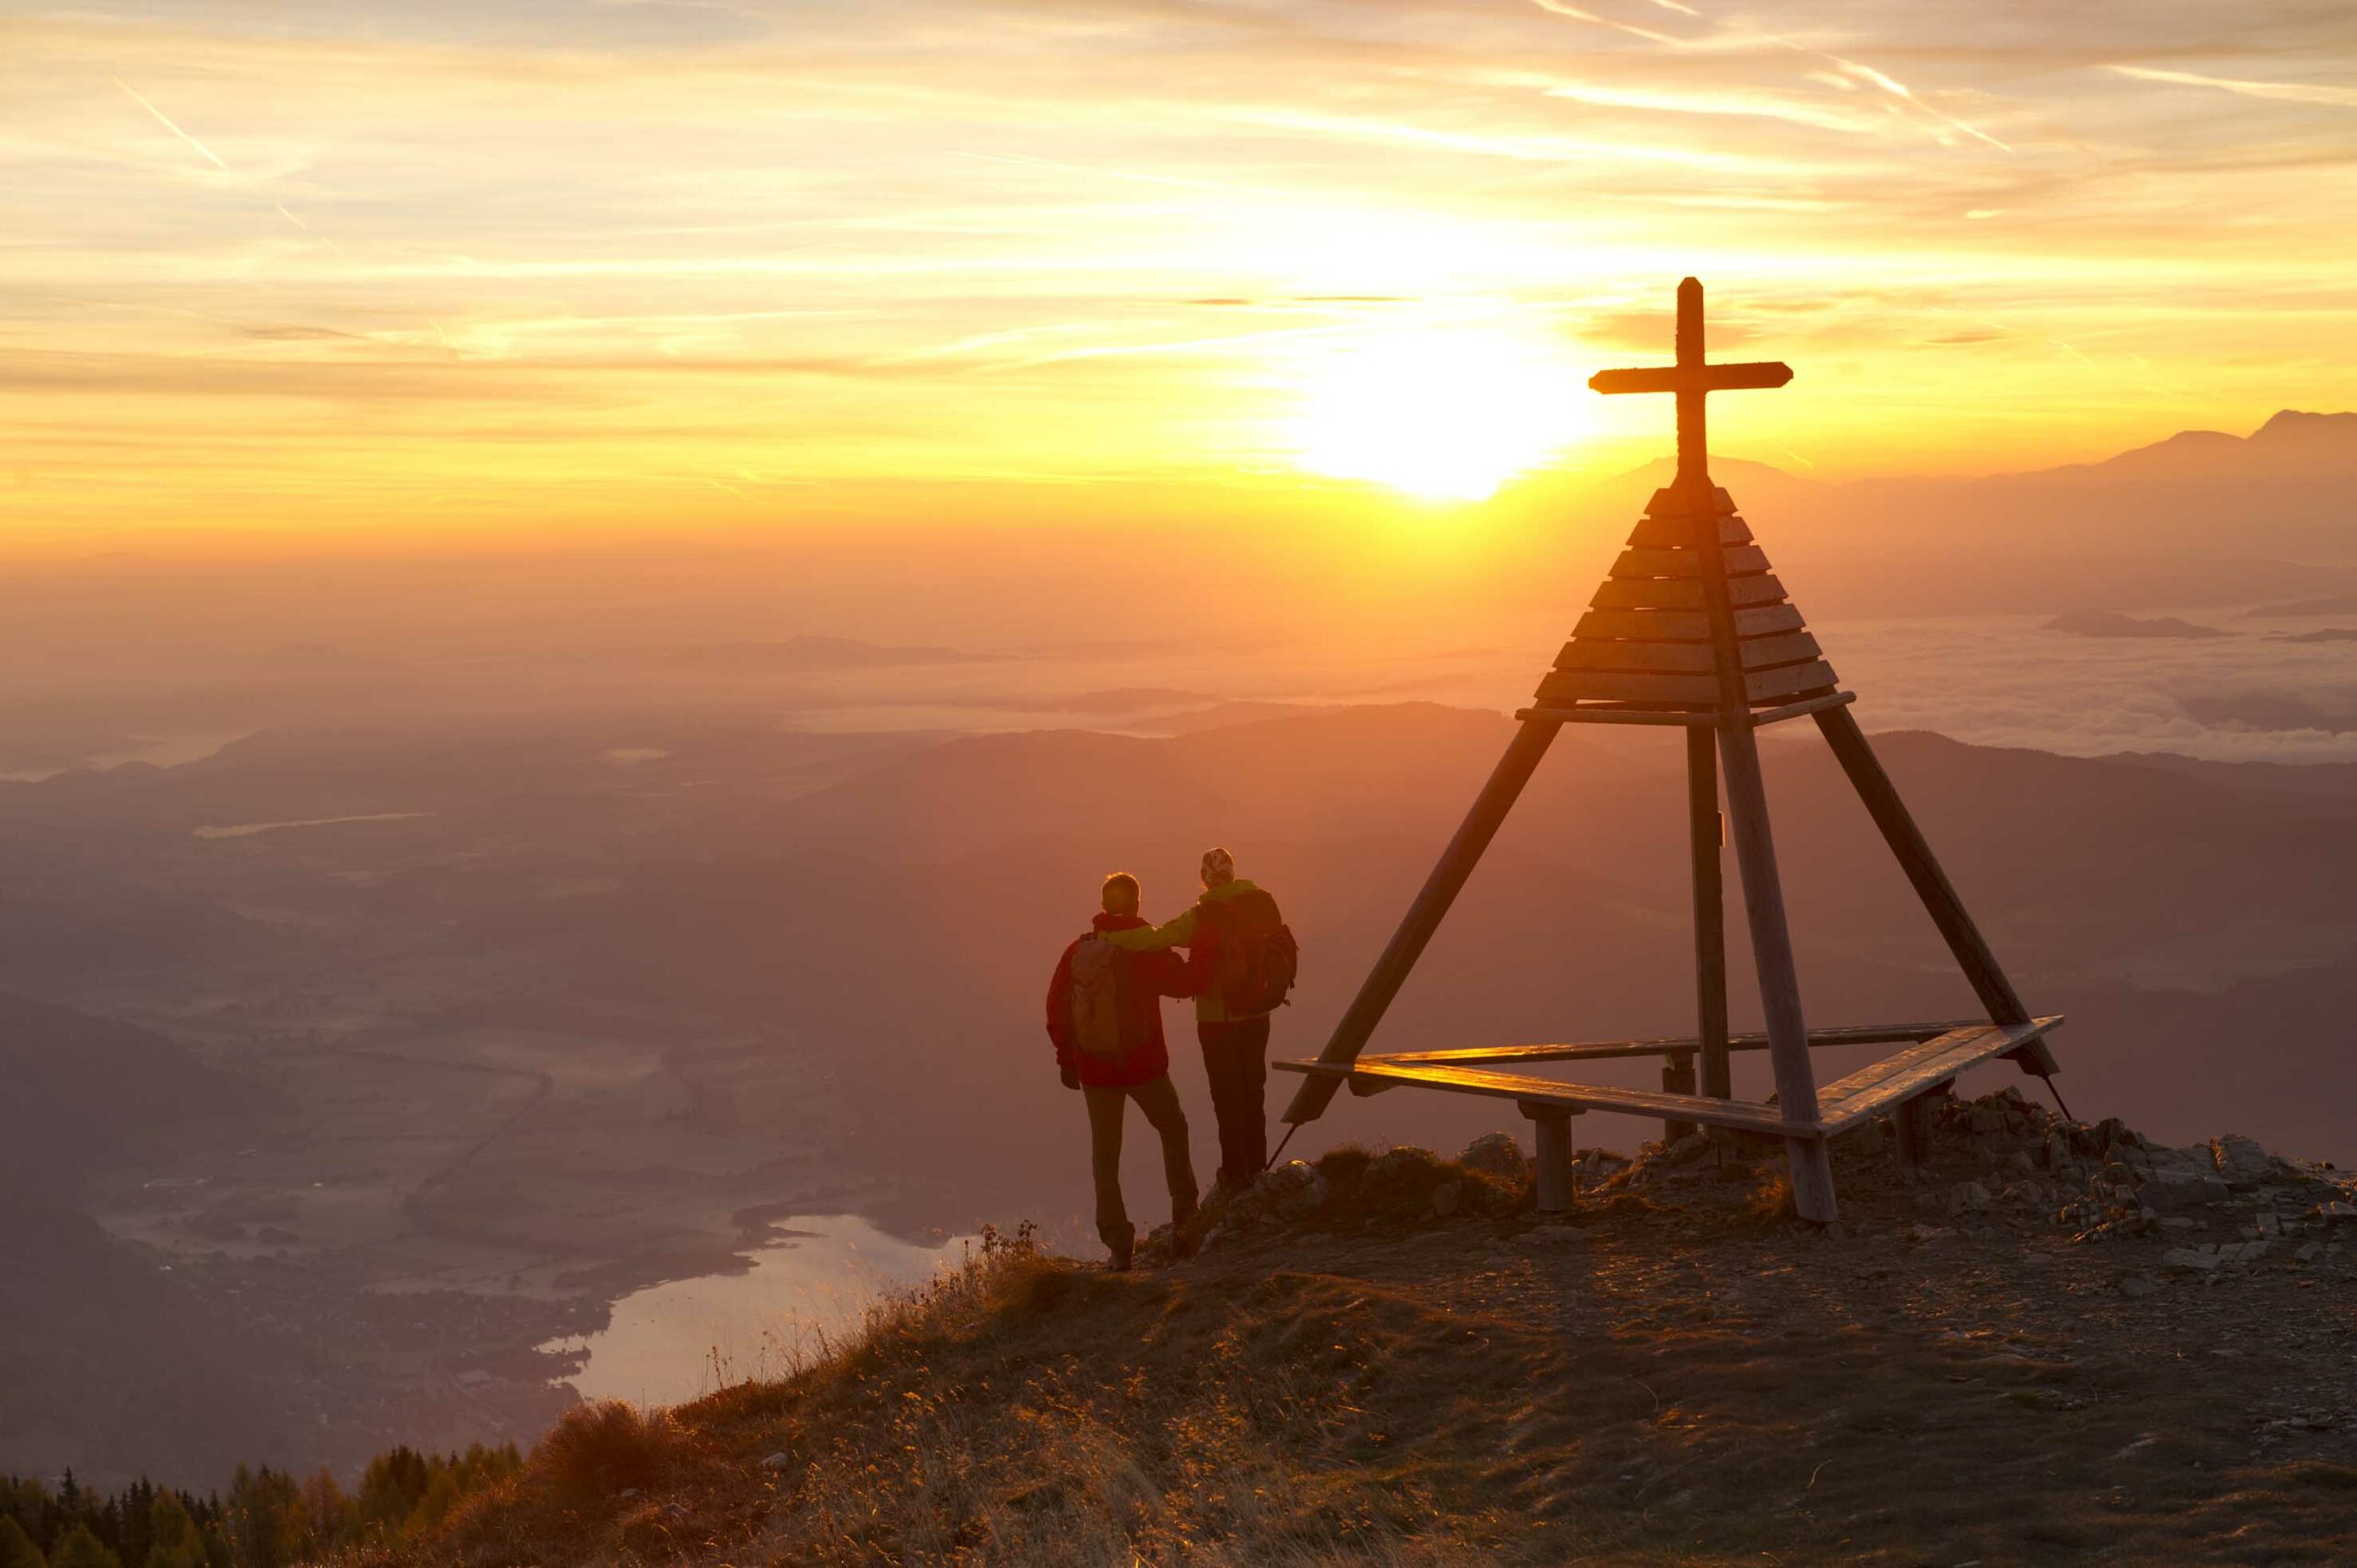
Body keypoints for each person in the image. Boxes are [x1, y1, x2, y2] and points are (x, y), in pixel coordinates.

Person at [1102, 848, 1295, 1194]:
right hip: (1258, 1012)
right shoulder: (1260, 902)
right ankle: (1258, 1167)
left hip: (1217, 1019)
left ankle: (1235, 1175)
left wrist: (1113, 937)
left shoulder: (1204, 914)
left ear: (1205, 878)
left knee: (1226, 1095)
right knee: (1254, 1091)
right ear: (1234, 873)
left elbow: (1158, 938)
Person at [1044, 872, 1202, 1271]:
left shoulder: (1079, 950)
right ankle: (1186, 1217)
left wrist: (1067, 1060)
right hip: (1145, 1066)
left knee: (1105, 1157)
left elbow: (1057, 1007)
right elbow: (1184, 983)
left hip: (1095, 1070)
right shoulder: (1144, 945)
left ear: (1103, 904)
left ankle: (1118, 1245)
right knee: (1173, 1127)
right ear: (1135, 905)